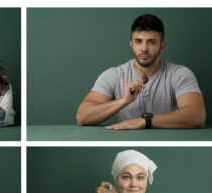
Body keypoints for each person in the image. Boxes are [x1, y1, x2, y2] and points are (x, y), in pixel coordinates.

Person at [75, 14, 205, 130]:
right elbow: (83, 117)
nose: (144, 48)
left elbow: (197, 116)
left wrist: (145, 121)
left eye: (151, 42)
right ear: (131, 44)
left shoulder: (180, 74)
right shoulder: (113, 75)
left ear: (162, 47)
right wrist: (123, 101)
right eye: (138, 41)